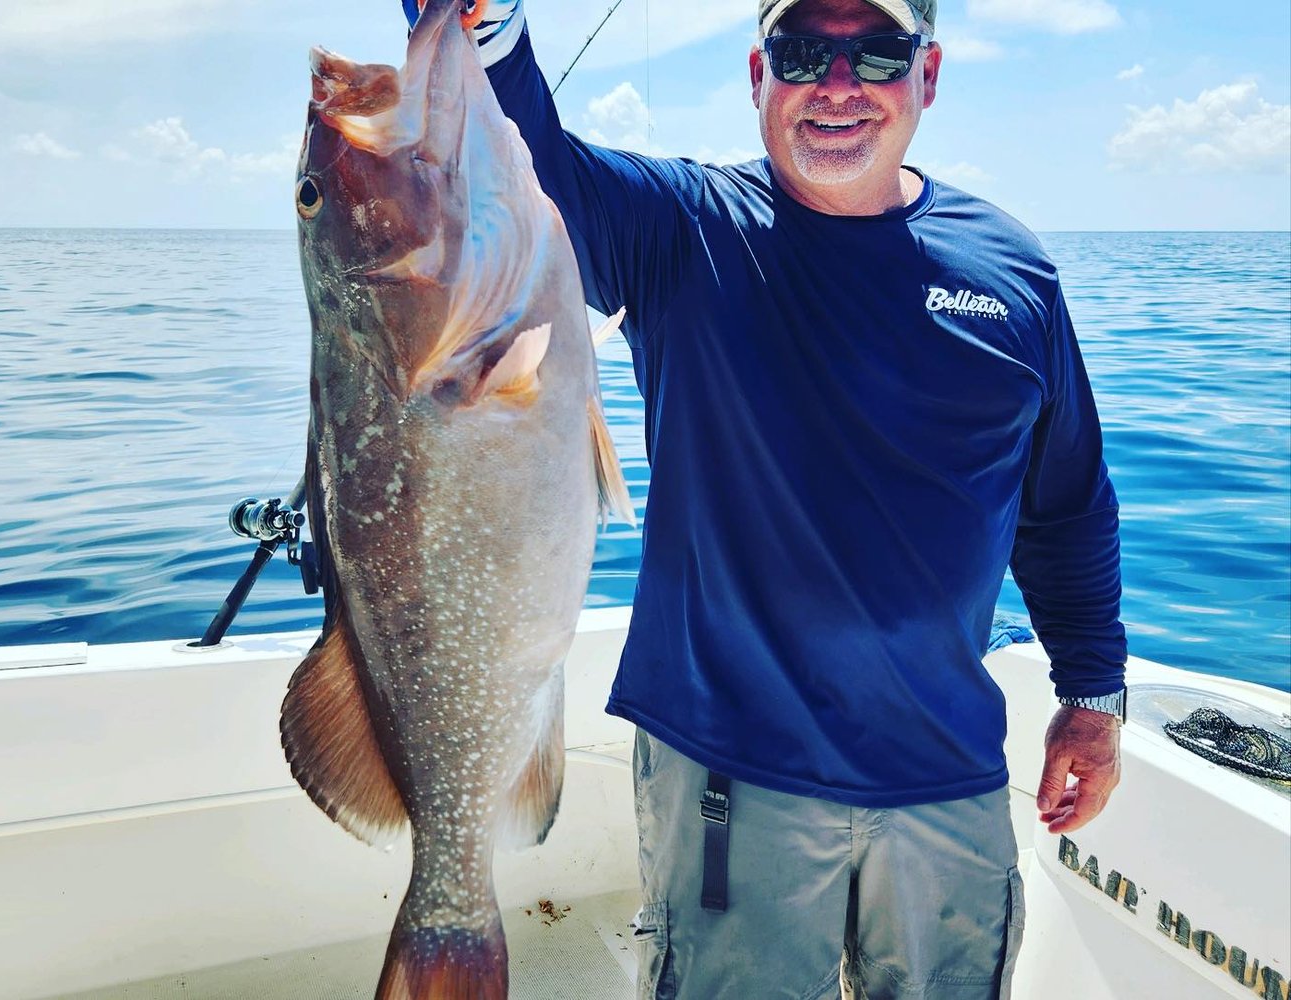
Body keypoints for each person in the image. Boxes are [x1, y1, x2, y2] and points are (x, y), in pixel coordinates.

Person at [402, 0, 1128, 996]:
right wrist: (478, 25)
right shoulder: (681, 230)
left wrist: (1091, 696)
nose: (837, 85)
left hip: (948, 776)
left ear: (929, 75)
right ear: (757, 75)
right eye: (802, 53)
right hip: (735, 779)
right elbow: (526, 174)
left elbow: (1068, 508)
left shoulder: (1016, 274)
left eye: (875, 53)